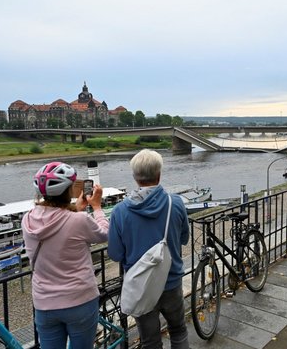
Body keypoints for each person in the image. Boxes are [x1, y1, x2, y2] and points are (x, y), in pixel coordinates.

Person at [108, 149, 190, 349]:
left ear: (135, 177)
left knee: (150, 341)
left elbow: (116, 254)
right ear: (159, 174)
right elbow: (185, 239)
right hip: (171, 281)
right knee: (178, 331)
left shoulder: (120, 211)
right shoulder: (176, 203)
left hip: (141, 287)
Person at [22, 162, 109, 349]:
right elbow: (104, 234)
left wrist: (77, 209)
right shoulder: (79, 220)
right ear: (69, 190)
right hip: (80, 300)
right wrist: (97, 208)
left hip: (44, 303)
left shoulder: (27, 219)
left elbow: (55, 223)